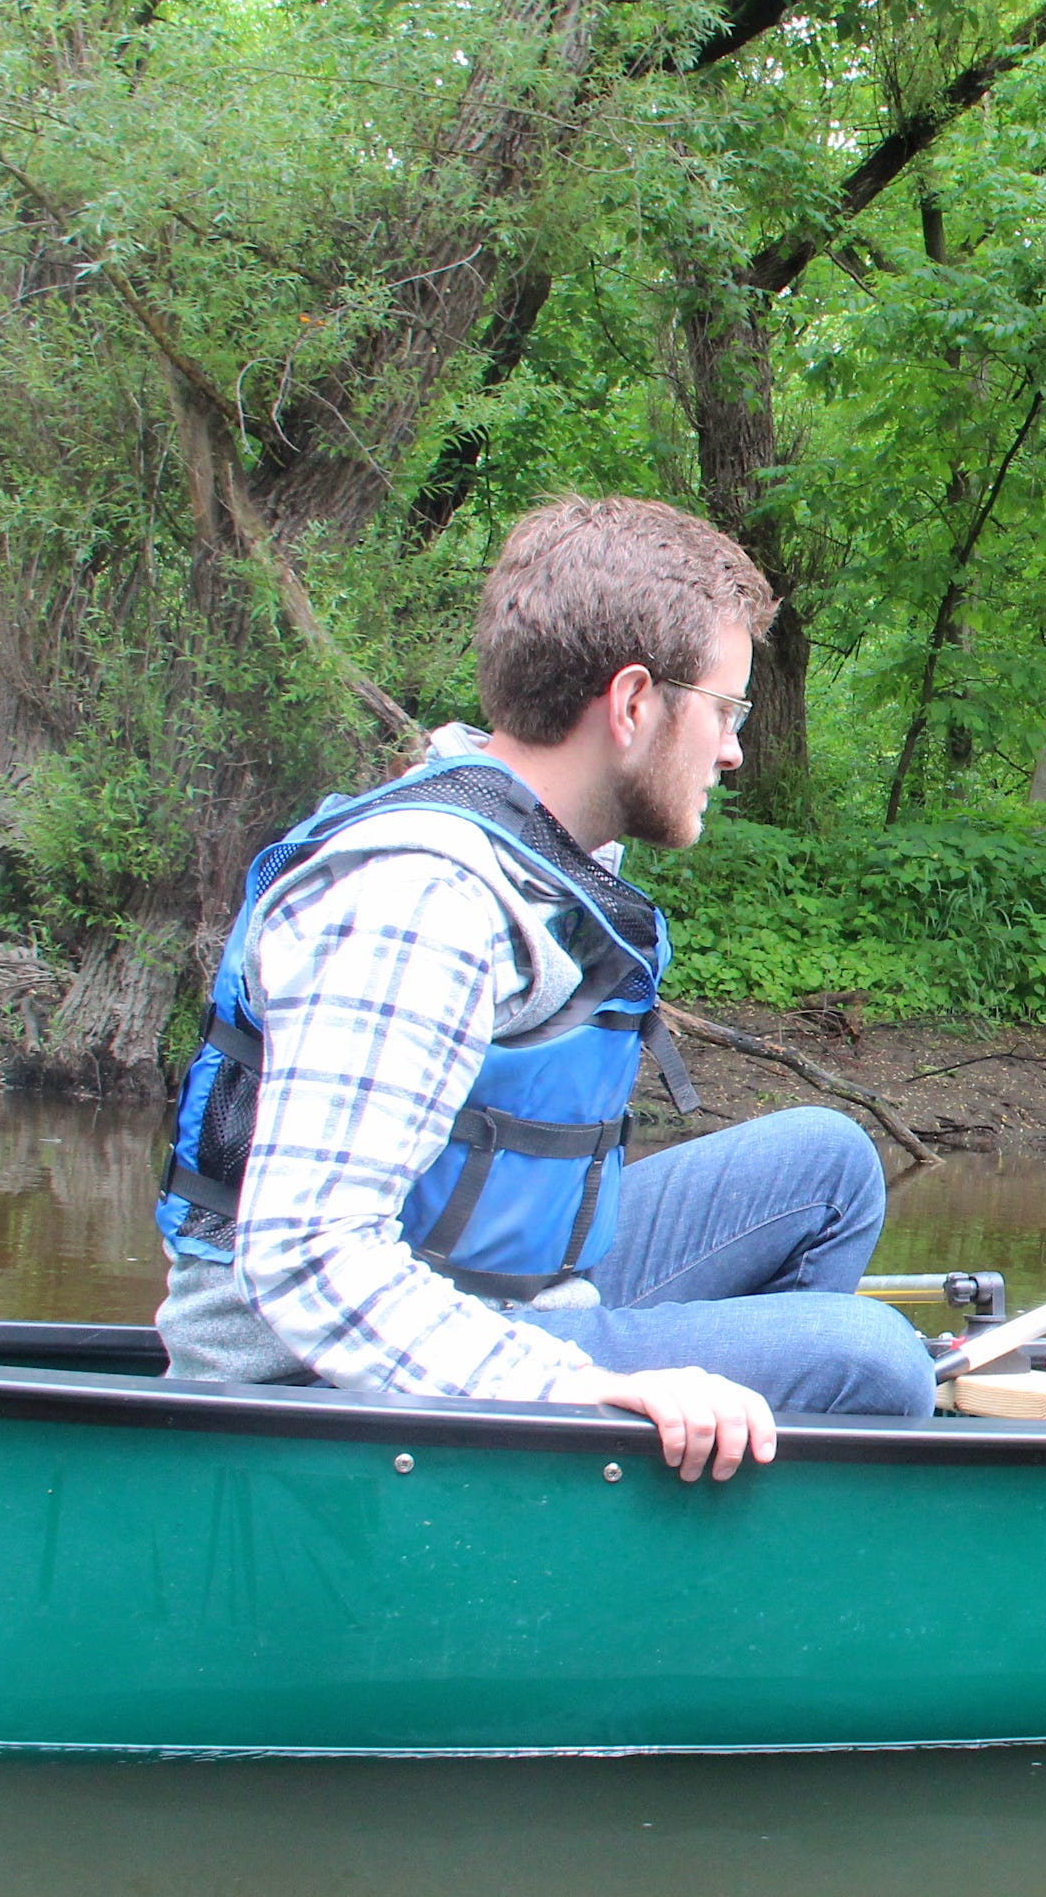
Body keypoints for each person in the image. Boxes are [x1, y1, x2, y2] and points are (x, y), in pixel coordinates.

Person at [154, 494, 933, 1477]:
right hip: (311, 1391)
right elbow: (310, 1262)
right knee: (873, 1360)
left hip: (501, 1289)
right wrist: (581, 1391)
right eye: (725, 711)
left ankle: (699, 1486)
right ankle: (658, 1541)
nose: (733, 750)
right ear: (634, 703)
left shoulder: (546, 840)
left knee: (831, 1165)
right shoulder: (421, 897)